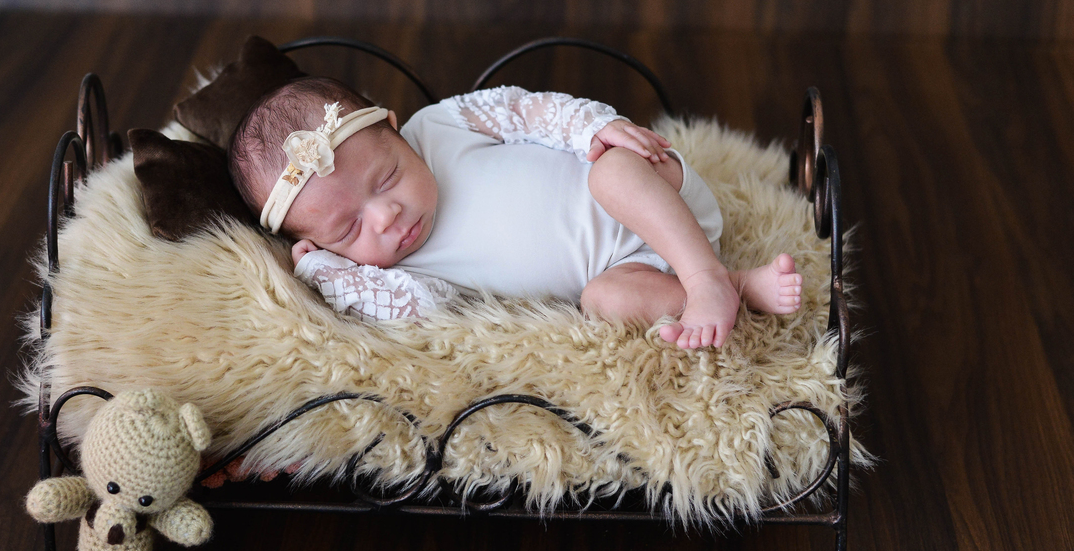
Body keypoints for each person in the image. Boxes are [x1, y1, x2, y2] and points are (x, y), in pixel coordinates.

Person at [227, 77, 802, 349]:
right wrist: (331, 276)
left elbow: (525, 112)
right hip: (631, 267)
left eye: (388, 177)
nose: (386, 217)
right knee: (604, 302)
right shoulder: (400, 273)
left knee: (611, 171)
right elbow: (413, 313)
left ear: (397, 130)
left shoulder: (441, 125)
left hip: (656, 196)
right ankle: (734, 286)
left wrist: (593, 127)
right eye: (349, 229)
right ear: (327, 245)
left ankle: (702, 276)